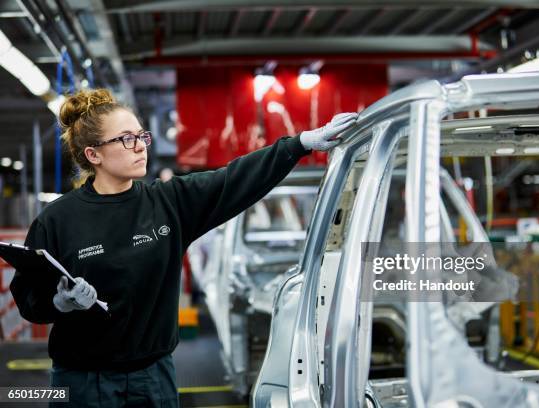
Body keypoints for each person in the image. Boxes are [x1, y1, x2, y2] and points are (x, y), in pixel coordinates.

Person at [9, 88, 357, 407]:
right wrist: (61, 303)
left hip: (153, 377)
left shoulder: (169, 203)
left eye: (141, 136)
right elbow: (29, 297)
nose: (141, 145)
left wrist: (300, 143)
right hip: (81, 380)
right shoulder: (58, 220)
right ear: (93, 154)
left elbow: (234, 178)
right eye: (126, 139)